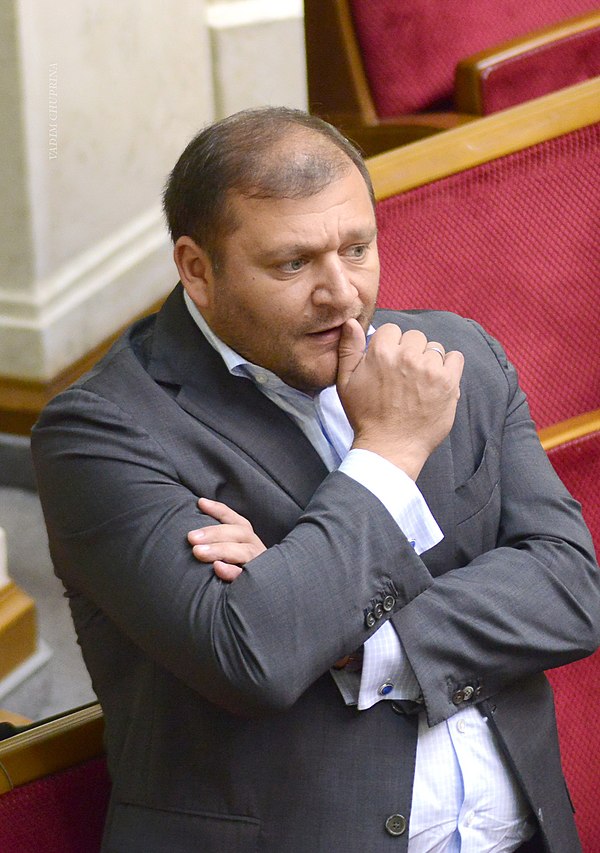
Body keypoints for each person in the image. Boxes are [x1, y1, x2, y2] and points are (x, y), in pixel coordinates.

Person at [31, 107, 599, 853]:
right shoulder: (103, 432)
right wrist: (389, 452)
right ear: (197, 270)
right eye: (293, 264)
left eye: (357, 248)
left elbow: (571, 591)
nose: (343, 294)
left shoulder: (452, 355)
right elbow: (253, 657)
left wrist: (351, 638)